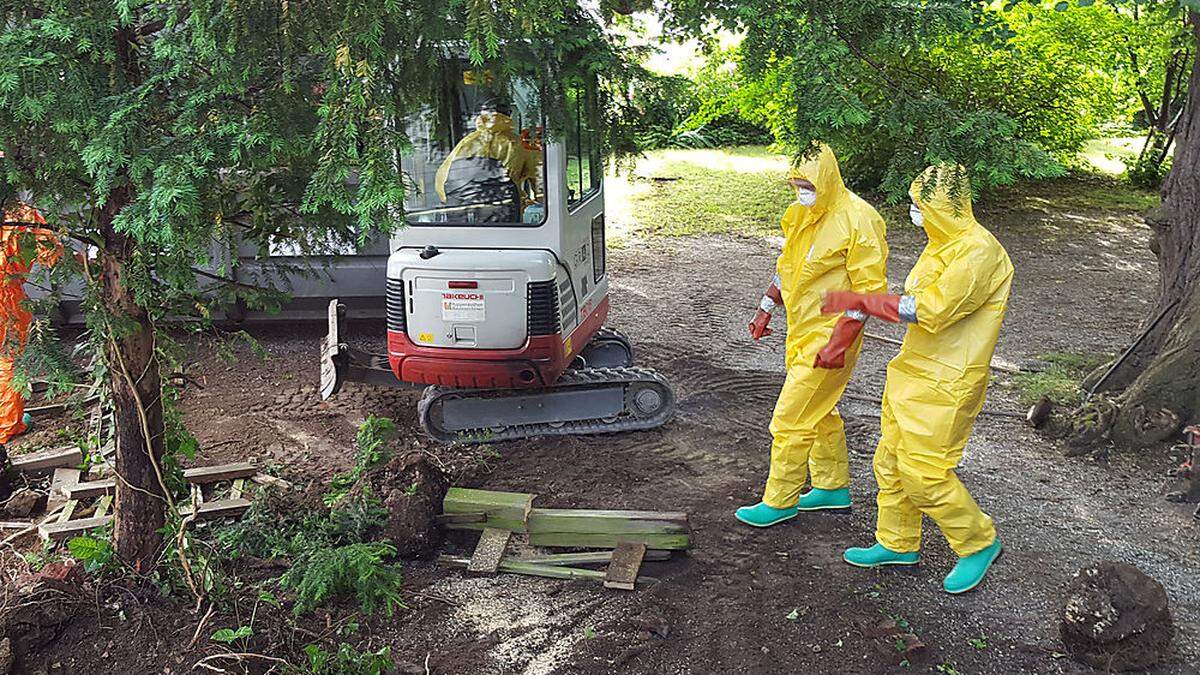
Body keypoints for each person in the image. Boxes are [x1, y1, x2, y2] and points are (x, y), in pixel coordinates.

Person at [821, 164, 1012, 594]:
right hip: (914, 370)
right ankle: (897, 543)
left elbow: (933, 309)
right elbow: (916, 298)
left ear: (944, 207)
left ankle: (978, 541)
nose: (915, 214)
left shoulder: (979, 252)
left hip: (949, 380)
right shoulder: (941, 244)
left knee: (924, 472)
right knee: (889, 461)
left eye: (920, 206)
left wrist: (865, 302)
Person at [736, 143, 888, 528]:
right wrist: (766, 306)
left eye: (808, 184)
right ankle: (831, 487)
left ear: (827, 179)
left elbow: (868, 293)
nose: (802, 191)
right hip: (802, 329)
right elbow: (787, 264)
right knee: (818, 410)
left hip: (832, 334)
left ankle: (780, 500)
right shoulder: (801, 214)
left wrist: (838, 343)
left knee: (789, 419)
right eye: (796, 184)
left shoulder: (860, 220)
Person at [0, 204, 62, 444]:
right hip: (6, 299)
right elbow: (51, 255)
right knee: (8, 359)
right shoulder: (21, 213)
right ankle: (6, 425)